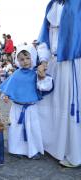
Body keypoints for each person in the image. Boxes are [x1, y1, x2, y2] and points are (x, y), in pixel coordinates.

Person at [37, 0, 81, 167]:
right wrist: (43, 61)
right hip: (54, 63)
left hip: (72, 62)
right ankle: (55, 147)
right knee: (52, 103)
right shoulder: (51, 5)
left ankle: (75, 154)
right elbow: (44, 38)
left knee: (71, 107)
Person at [0, 45, 53, 159]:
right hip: (17, 108)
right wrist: (6, 96)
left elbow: (44, 86)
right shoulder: (16, 74)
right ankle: (16, 149)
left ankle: (33, 150)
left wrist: (42, 77)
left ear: (33, 57)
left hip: (31, 107)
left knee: (32, 128)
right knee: (16, 128)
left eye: (28, 58)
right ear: (17, 60)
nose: (25, 62)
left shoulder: (36, 73)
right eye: (22, 59)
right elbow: (8, 87)